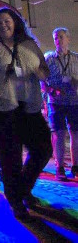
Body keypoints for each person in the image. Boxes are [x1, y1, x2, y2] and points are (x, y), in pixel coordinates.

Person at [0, 7, 52, 220]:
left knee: (43, 150)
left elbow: (45, 72)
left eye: (7, 21)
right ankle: (16, 201)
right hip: (3, 111)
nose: (3, 25)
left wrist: (35, 72)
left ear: (16, 22)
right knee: (10, 158)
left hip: (29, 108)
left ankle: (22, 189)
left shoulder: (30, 46)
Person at [43, 27, 77, 179]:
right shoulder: (49, 58)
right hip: (55, 102)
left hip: (74, 101)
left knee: (75, 133)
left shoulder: (76, 58)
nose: (58, 40)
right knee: (59, 134)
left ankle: (76, 166)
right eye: (56, 38)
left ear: (68, 39)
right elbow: (42, 79)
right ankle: (60, 167)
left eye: (61, 37)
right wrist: (51, 90)